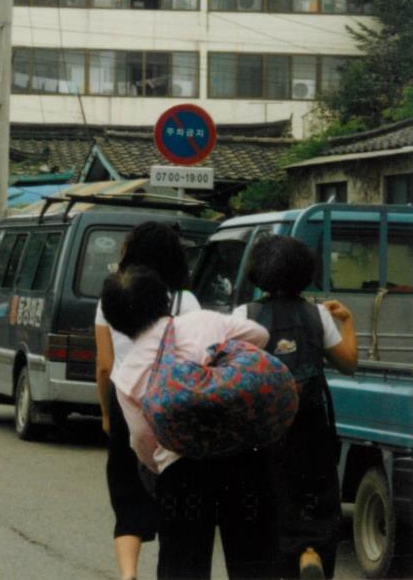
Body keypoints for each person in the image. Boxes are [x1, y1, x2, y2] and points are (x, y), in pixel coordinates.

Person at [103, 266, 276, 580]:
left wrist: (163, 467)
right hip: (244, 457)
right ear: (164, 299)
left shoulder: (127, 375)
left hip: (181, 473)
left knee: (183, 565)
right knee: (253, 560)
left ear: (116, 322)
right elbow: (260, 336)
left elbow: (143, 442)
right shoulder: (204, 321)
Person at [237, 235, 357, 580]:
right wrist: (347, 322)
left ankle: (284, 561)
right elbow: (349, 363)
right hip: (311, 419)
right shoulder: (317, 314)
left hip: (264, 424)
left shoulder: (245, 315)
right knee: (317, 496)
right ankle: (310, 552)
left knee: (270, 497)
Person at [94, 223, 202, 580]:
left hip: (126, 397)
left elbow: (105, 365)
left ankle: (128, 575)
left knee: (126, 493)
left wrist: (107, 413)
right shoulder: (187, 301)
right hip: (174, 403)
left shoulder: (110, 296)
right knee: (179, 495)